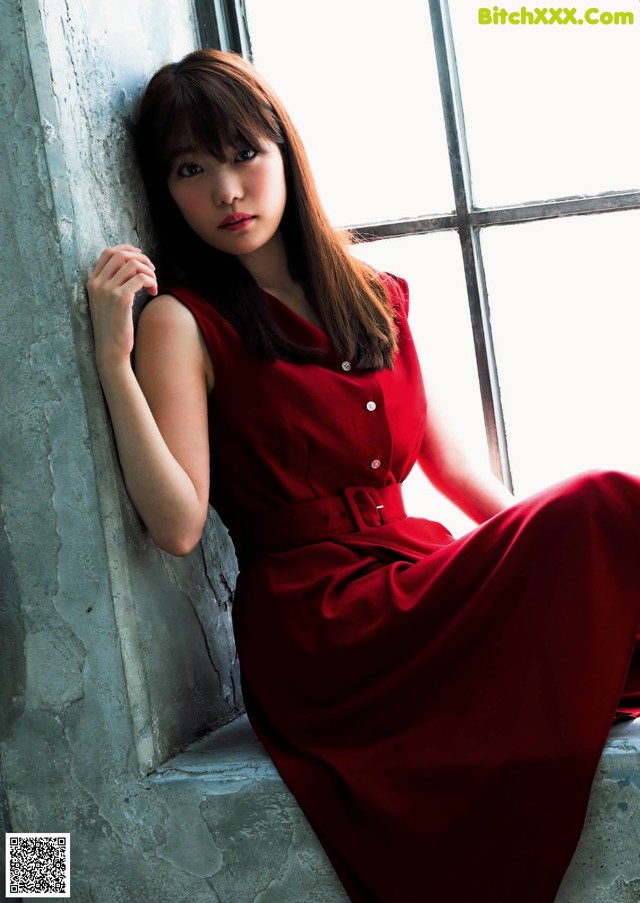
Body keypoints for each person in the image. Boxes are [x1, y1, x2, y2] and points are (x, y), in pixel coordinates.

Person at [87, 49, 640, 903]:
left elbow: (462, 479)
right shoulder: (182, 323)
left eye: (243, 155)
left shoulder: (375, 297)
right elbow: (179, 524)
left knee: (606, 518)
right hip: (323, 626)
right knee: (606, 496)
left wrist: (548, 567)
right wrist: (114, 362)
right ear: (168, 191)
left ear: (285, 155)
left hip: (412, 581)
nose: (227, 191)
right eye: (191, 170)